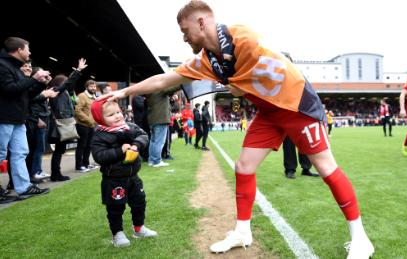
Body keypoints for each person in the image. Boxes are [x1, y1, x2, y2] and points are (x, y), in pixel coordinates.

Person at [107, 1, 374, 258]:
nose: (184, 38)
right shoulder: (208, 59)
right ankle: (243, 232)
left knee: (326, 168)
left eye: (185, 31)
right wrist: (126, 92)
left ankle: (361, 239)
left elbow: (251, 69)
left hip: (297, 104)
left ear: (201, 22)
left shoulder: (241, 37)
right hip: (269, 111)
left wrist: (232, 82)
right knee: (244, 166)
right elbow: (165, 79)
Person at [90, 97, 157, 247]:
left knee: (139, 202)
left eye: (118, 112)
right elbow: (99, 156)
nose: (118, 116)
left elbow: (144, 136)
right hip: (113, 179)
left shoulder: (130, 127)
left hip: (133, 177)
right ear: (101, 119)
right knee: (115, 208)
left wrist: (136, 145)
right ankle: (117, 234)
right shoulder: (99, 135)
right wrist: (119, 151)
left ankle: (139, 228)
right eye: (111, 115)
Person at [0, 37, 51, 198]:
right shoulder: (2, 65)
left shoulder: (16, 67)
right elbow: (8, 90)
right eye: (27, 49)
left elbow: (25, 94)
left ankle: (24, 187)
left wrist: (40, 83)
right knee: (0, 154)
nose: (29, 52)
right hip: (4, 117)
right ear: (19, 50)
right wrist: (32, 79)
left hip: (18, 118)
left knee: (20, 153)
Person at [48, 58, 87, 181]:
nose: (68, 83)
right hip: (61, 124)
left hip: (64, 123)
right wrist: (78, 70)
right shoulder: (56, 91)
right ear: (60, 83)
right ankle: (56, 174)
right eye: (65, 82)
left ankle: (56, 173)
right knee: (59, 150)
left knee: (60, 150)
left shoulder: (62, 92)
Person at [75, 79, 98, 172]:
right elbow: (78, 110)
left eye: (94, 86)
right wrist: (88, 120)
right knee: (82, 146)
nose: (93, 88)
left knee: (89, 146)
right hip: (83, 125)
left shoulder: (94, 97)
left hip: (91, 125)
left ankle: (86, 164)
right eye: (91, 86)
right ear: (86, 87)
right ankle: (79, 166)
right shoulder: (82, 96)